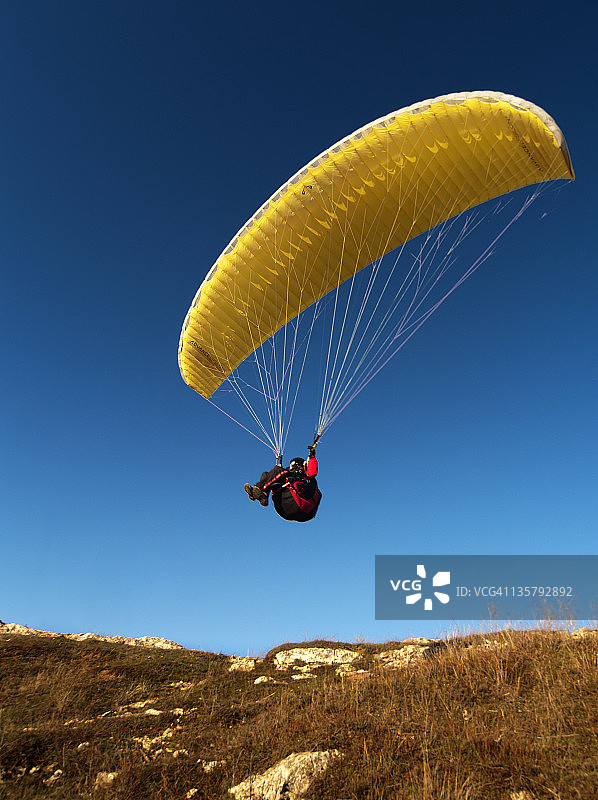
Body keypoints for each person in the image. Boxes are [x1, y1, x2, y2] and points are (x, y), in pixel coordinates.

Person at [244, 448, 321, 522]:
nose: (292, 468)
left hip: (301, 506)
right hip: (285, 509)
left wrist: (312, 457)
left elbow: (312, 472)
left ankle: (260, 490)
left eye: (294, 466)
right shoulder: (290, 474)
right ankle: (263, 496)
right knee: (267, 475)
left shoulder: (306, 477)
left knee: (278, 471)